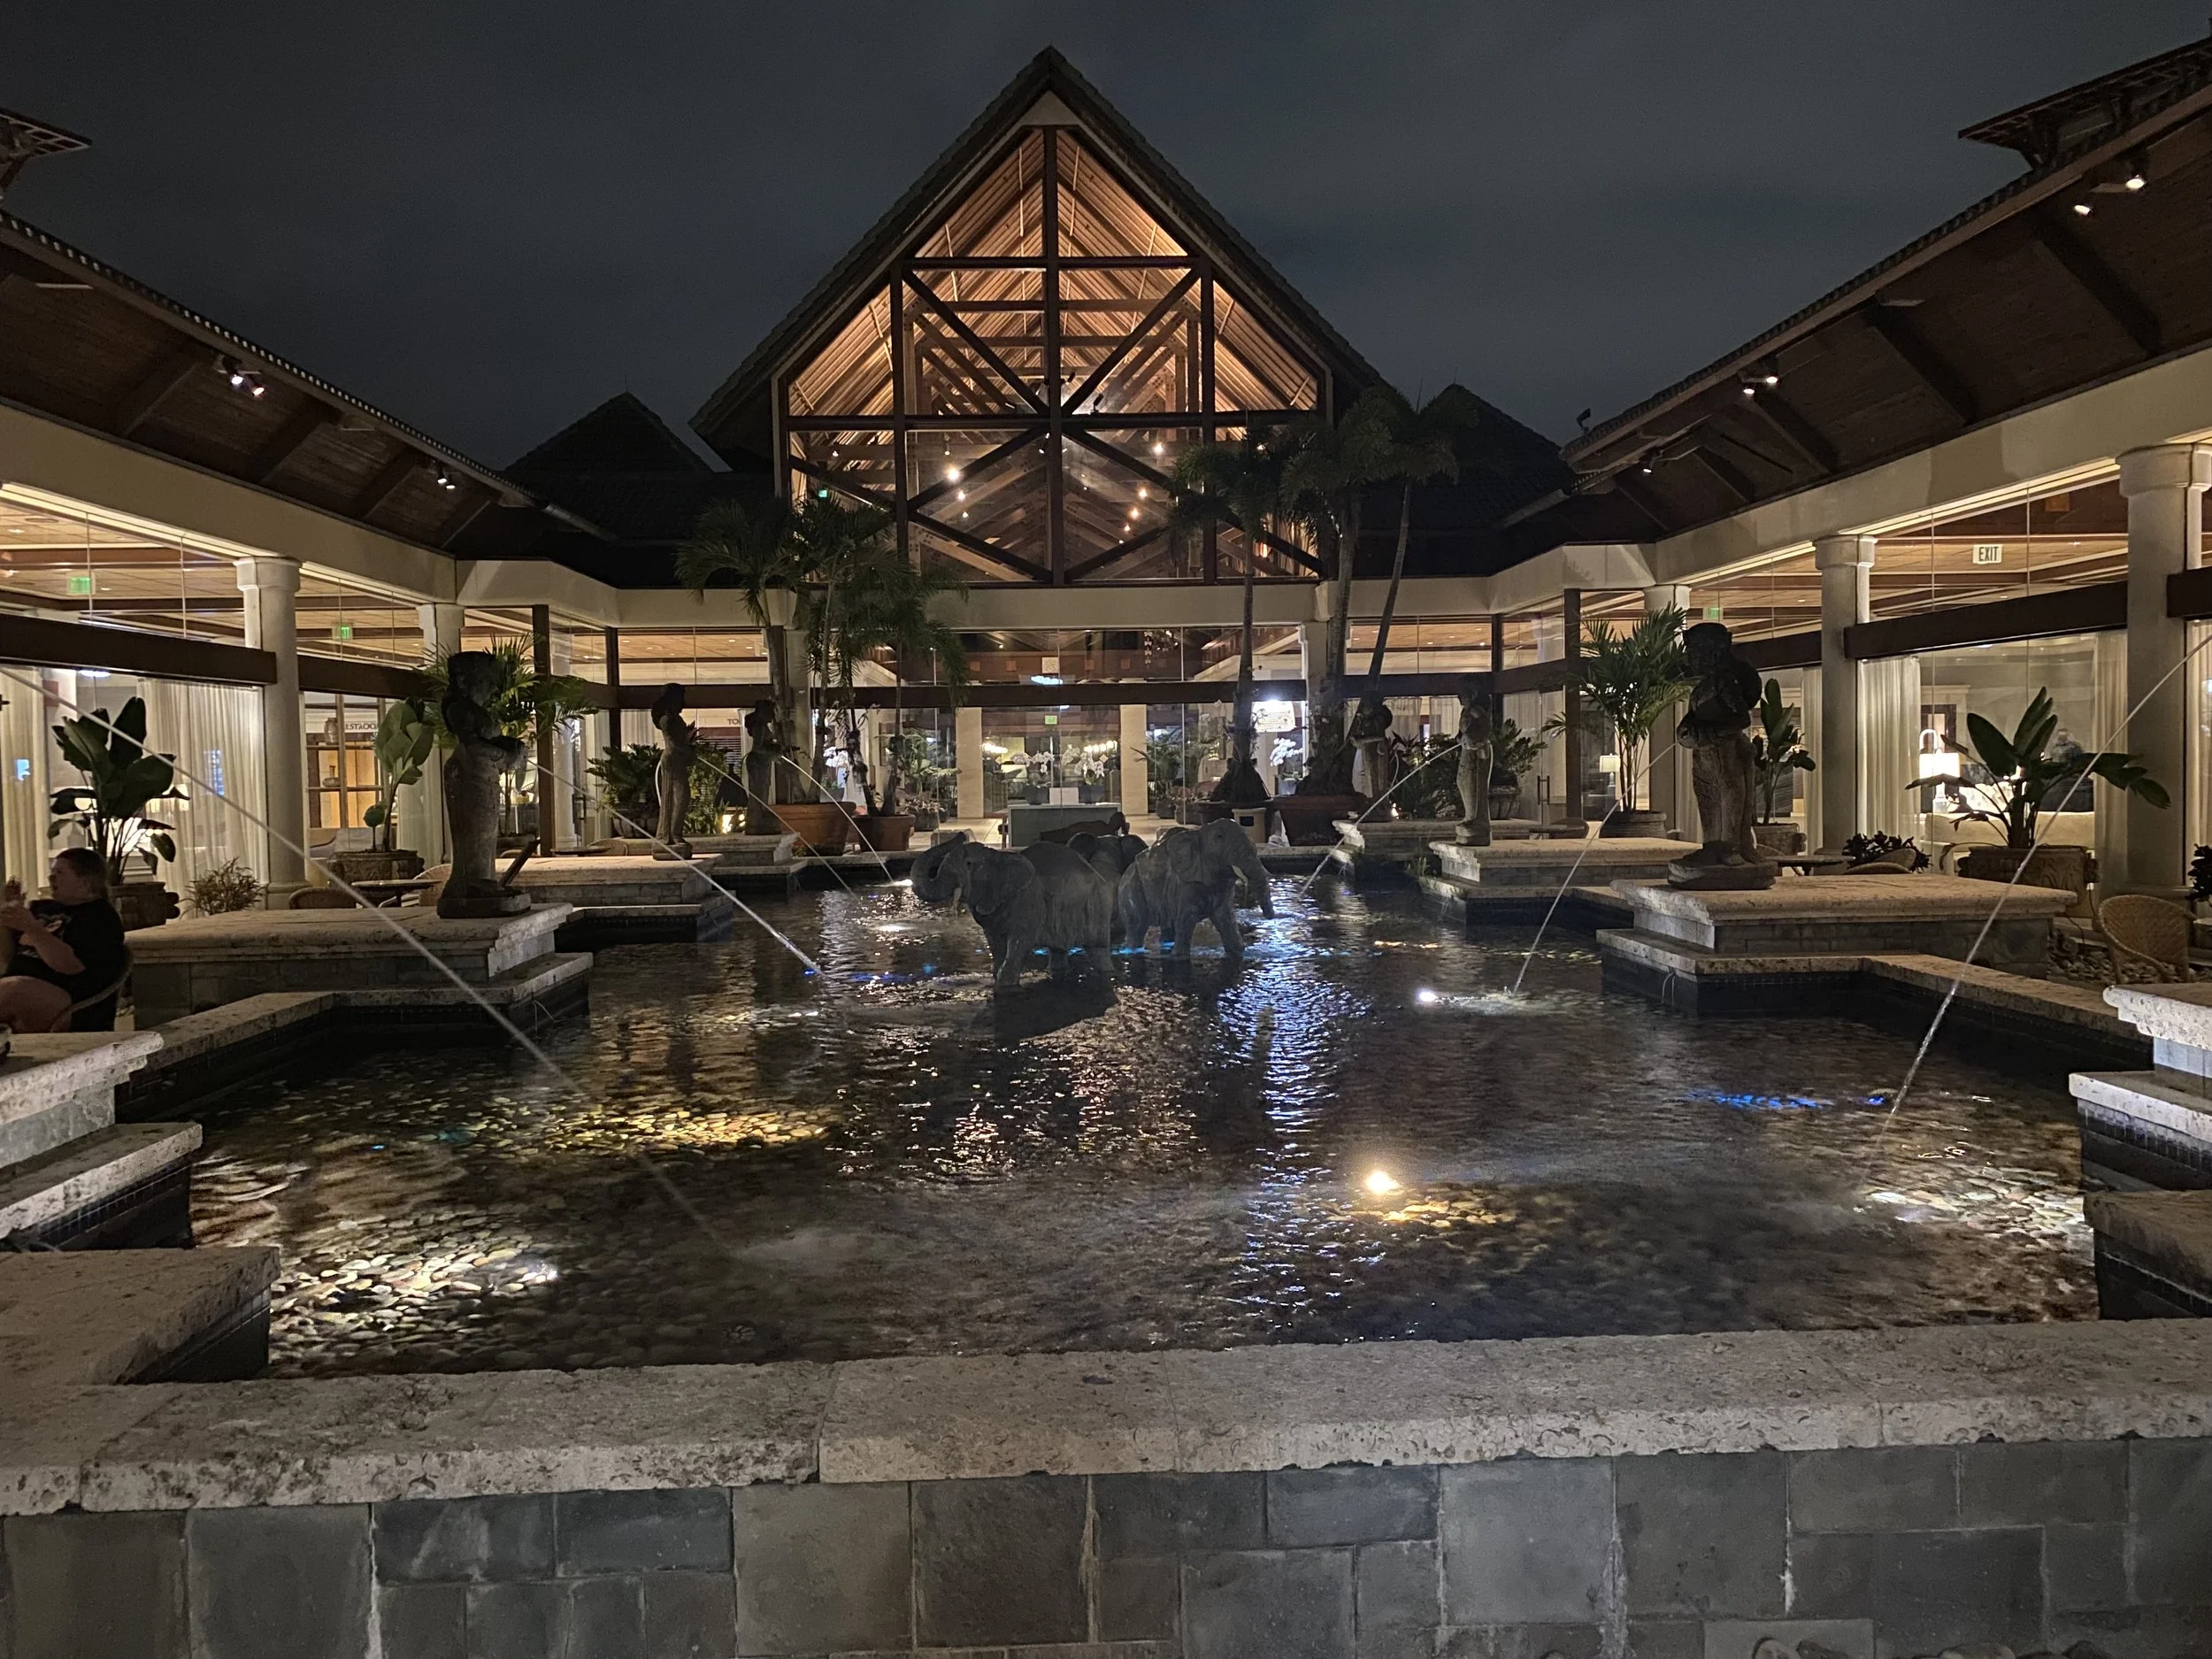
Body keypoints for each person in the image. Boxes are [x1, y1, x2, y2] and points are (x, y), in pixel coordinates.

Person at [0, 848, 128, 1033]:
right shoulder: (41, 908)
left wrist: (33, 928)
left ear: (84, 883)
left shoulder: (100, 917)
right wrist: (8, 917)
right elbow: (5, 959)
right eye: (51, 873)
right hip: (17, 986)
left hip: (69, 1001)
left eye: (59, 873)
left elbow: (71, 966)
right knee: (13, 988)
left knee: (16, 989)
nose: (51, 878)